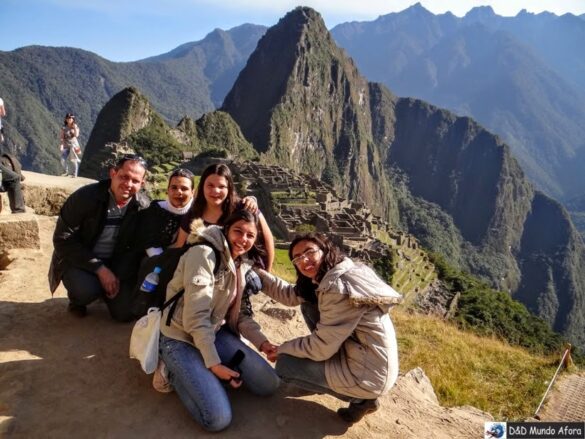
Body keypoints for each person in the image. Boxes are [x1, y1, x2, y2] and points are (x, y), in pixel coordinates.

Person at [255, 233, 402, 424]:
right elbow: (290, 294)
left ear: (324, 250)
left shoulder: (336, 288)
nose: (304, 260)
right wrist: (257, 274)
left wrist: (281, 348)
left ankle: (361, 400)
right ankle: (342, 378)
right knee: (308, 304)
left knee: (285, 366)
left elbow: (320, 347)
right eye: (297, 258)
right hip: (370, 359)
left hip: (368, 375)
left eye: (309, 252)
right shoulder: (338, 271)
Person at [158, 209, 279, 432]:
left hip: (213, 332)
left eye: (250, 235)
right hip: (179, 337)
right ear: (226, 229)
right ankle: (171, 371)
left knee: (268, 384)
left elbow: (240, 313)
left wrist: (262, 342)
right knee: (217, 419)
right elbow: (195, 318)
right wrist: (214, 365)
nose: (243, 240)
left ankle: (201, 369)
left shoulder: (240, 264)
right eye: (238, 231)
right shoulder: (203, 255)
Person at [48, 154, 149, 320]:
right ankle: (77, 301)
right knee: (85, 290)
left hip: (117, 263)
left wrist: (120, 275)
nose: (128, 184)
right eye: (124, 177)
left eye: (135, 181)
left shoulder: (142, 207)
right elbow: (63, 240)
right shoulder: (85, 198)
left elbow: (137, 248)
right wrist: (100, 269)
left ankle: (107, 291)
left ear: (142, 183)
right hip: (82, 260)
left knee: (124, 313)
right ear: (113, 173)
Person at [173, 163, 274, 271]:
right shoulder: (193, 214)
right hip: (202, 275)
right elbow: (179, 247)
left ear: (229, 188)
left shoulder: (245, 208)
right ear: (202, 186)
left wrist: (267, 272)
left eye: (221, 186)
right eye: (210, 185)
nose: (216, 191)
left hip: (239, 275)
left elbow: (268, 242)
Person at [129, 168, 196, 315]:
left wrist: (251, 200)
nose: (178, 192)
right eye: (174, 187)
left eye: (184, 188)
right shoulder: (156, 210)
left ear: (193, 192)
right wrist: (164, 262)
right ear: (167, 190)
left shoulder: (198, 213)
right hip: (156, 261)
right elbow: (149, 242)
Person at [60, 113, 81, 177]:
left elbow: (76, 135)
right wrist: (62, 145)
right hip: (66, 146)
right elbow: (62, 137)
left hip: (73, 146)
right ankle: (66, 172)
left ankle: (75, 174)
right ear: (66, 119)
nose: (69, 119)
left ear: (73, 119)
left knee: (73, 160)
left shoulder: (75, 126)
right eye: (68, 118)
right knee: (62, 160)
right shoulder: (64, 128)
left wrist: (74, 128)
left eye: (71, 118)